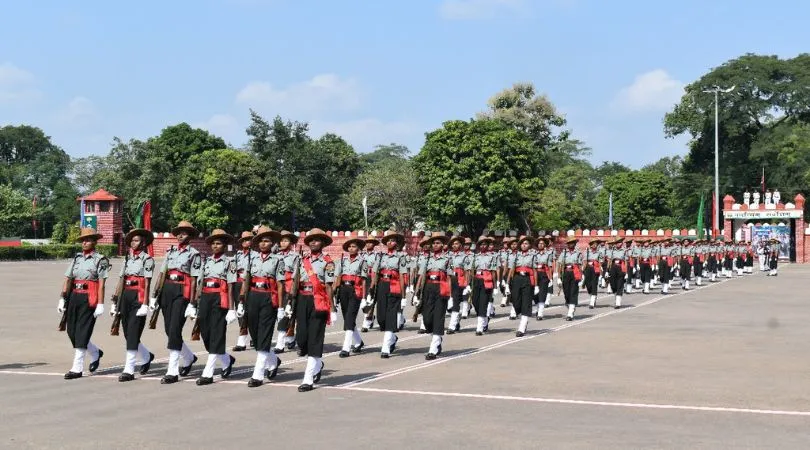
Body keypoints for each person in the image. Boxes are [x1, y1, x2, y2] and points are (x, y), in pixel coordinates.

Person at [151, 220, 202, 385]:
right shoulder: (170, 251)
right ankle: (188, 357)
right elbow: (162, 273)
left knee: (174, 329)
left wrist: (193, 303)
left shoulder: (194, 254)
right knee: (169, 330)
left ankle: (172, 371)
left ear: (190, 235)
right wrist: (155, 294)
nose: (180, 235)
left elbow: (194, 280)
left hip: (182, 291)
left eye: (184, 232)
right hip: (167, 289)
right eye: (179, 232)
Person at [59, 228, 111, 379]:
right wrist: (62, 298)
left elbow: (101, 283)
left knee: (82, 331)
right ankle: (95, 352)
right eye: (83, 240)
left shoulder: (100, 260)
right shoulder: (77, 258)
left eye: (88, 240)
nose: (84, 243)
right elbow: (68, 278)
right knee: (72, 331)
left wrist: (101, 303)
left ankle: (77, 368)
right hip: (74, 296)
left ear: (95, 242)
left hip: (89, 297)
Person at [291, 228, 335, 392]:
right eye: (311, 240)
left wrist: (332, 308)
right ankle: (318, 363)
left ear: (323, 243)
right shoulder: (301, 260)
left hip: (318, 300)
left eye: (317, 240)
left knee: (315, 338)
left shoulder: (328, 262)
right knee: (301, 339)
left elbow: (329, 286)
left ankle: (308, 379)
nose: (313, 242)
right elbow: (295, 282)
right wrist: (290, 303)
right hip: (302, 299)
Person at [192, 229, 238, 386]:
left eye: (218, 243)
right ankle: (226, 359)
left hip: (220, 298)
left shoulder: (229, 262)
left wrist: (231, 308)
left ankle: (208, 373)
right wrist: (194, 303)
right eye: (213, 243)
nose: (215, 246)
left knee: (217, 332)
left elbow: (231, 286)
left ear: (224, 246)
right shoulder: (206, 261)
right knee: (206, 333)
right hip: (206, 297)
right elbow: (200, 282)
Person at [112, 228, 156, 381]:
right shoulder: (127, 258)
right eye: (132, 240)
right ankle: (146, 356)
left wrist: (145, 304)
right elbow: (121, 279)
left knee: (133, 331)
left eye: (136, 240)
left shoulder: (147, 259)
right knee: (127, 333)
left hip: (138, 296)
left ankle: (129, 369)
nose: (133, 243)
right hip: (126, 296)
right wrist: (115, 301)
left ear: (143, 243)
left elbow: (147, 282)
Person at [243, 226, 284, 388]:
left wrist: (281, 307)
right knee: (255, 335)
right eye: (260, 241)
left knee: (264, 333)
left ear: (272, 243)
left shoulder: (278, 260)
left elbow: (280, 284)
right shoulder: (251, 258)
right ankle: (273, 360)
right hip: (253, 296)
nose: (263, 244)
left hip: (268, 297)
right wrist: (242, 301)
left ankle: (258, 375)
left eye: (266, 241)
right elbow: (247, 280)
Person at [415, 232, 453, 359]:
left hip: (441, 289)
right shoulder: (426, 259)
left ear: (442, 245)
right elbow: (421, 276)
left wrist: (450, 295)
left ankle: (433, 348)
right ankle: (437, 339)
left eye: (438, 243)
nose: (435, 245)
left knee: (438, 317)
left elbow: (449, 277)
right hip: (428, 288)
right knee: (427, 318)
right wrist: (416, 292)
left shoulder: (447, 259)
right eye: (433, 243)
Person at [373, 230, 408, 358]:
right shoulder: (380, 256)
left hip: (394, 286)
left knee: (391, 315)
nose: (390, 242)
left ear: (397, 243)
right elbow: (375, 273)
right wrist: (371, 290)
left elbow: (402, 275)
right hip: (382, 285)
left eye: (392, 240)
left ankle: (386, 347)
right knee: (381, 317)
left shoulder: (401, 257)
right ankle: (392, 338)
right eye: (388, 240)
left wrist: (403, 296)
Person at [333, 237, 367, 358]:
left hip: (355, 290)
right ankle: (358, 342)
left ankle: (346, 348)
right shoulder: (342, 261)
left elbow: (363, 280)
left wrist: (364, 298)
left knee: (350, 317)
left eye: (354, 246)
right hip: (343, 290)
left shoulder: (362, 261)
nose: (351, 248)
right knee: (347, 318)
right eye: (350, 246)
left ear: (358, 248)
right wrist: (334, 293)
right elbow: (337, 277)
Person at [274, 230, 301, 354]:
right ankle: (290, 338)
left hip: (289, 287)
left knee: (287, 314)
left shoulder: (295, 256)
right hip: (276, 288)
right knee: (281, 315)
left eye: (285, 241)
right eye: (281, 241)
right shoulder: (275, 255)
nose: (283, 243)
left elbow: (296, 275)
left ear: (291, 243)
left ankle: (280, 344)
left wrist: (292, 291)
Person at [507, 236, 537, 337]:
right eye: (523, 243)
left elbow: (534, 270)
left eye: (526, 243)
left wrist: (536, 285)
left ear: (529, 245)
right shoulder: (515, 255)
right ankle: (522, 316)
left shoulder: (533, 256)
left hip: (527, 279)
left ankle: (522, 327)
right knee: (516, 301)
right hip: (517, 279)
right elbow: (511, 269)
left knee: (526, 302)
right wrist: (507, 283)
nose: (524, 245)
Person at [232, 231, 254, 352]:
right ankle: (242, 341)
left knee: (251, 312)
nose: (246, 242)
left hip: (250, 285)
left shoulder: (255, 255)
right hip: (238, 283)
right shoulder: (237, 255)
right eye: (244, 240)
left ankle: (254, 336)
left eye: (248, 239)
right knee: (240, 311)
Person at [471, 236, 498, 335]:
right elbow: (472, 270)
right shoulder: (475, 256)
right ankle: (485, 318)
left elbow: (493, 271)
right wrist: (469, 284)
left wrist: (495, 286)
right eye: (481, 244)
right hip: (476, 280)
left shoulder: (492, 257)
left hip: (486, 281)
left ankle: (479, 328)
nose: (483, 246)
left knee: (483, 303)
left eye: (485, 244)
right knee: (475, 302)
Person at [447, 236, 471, 334]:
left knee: (455, 303)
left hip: (459, 282)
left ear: (460, 245)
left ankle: (452, 326)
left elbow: (467, 272)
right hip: (448, 282)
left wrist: (467, 285)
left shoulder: (464, 257)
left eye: (456, 243)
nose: (454, 245)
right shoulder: (448, 256)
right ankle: (456, 321)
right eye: (453, 244)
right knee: (448, 306)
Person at [557, 238, 583, 321]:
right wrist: (558, 277)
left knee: (573, 292)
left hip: (574, 273)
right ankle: (570, 305)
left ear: (575, 244)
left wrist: (581, 277)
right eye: (569, 243)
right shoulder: (564, 253)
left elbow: (580, 266)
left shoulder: (578, 253)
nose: (570, 244)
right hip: (566, 274)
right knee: (567, 293)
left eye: (572, 243)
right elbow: (560, 265)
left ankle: (570, 313)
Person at [360, 238, 381, 332]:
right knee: (363, 301)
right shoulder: (362, 255)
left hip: (372, 278)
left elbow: (376, 270)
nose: (368, 244)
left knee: (370, 300)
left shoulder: (377, 256)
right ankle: (370, 317)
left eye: (371, 243)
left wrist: (373, 284)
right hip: (363, 278)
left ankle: (366, 323)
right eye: (367, 242)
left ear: (374, 244)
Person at [533, 236, 554, 320]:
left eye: (542, 243)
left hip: (544, 275)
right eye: (539, 243)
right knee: (534, 294)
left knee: (542, 293)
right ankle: (538, 307)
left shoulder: (548, 254)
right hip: (535, 274)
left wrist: (550, 278)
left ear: (545, 245)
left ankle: (540, 313)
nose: (540, 245)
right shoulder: (534, 254)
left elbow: (549, 267)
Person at [606, 238, 627, 308]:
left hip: (621, 268)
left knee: (620, 284)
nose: (618, 244)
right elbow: (609, 261)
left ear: (621, 243)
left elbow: (626, 261)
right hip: (613, 268)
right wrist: (607, 270)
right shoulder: (612, 251)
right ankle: (616, 295)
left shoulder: (624, 251)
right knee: (613, 284)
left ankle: (618, 303)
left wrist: (626, 272)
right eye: (617, 242)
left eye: (619, 242)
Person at [583, 239, 604, 308]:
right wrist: (583, 270)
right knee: (588, 285)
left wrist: (601, 270)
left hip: (595, 269)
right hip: (588, 269)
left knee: (594, 284)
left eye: (596, 244)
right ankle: (592, 296)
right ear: (591, 245)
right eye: (593, 244)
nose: (595, 245)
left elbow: (600, 262)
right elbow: (585, 261)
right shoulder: (586, 252)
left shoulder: (599, 253)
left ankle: (592, 302)